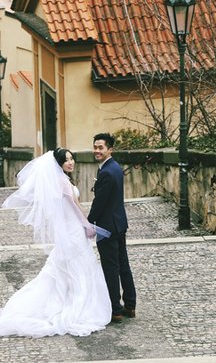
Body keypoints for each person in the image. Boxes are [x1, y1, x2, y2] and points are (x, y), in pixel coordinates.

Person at [0, 148, 111, 338]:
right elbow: (75, 206)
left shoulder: (61, 179)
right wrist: (87, 225)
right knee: (79, 265)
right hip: (73, 230)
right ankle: (79, 304)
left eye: (71, 159)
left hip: (69, 229)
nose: (71, 163)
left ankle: (71, 298)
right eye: (66, 160)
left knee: (69, 267)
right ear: (58, 164)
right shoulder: (62, 181)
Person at [88, 133, 137, 322]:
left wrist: (88, 222)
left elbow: (99, 202)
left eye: (100, 148)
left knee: (111, 268)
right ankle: (130, 305)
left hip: (107, 227)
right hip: (119, 224)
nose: (96, 151)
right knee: (123, 265)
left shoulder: (107, 172)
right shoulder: (115, 167)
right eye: (95, 147)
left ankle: (115, 309)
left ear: (110, 149)